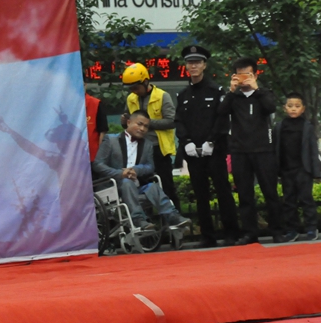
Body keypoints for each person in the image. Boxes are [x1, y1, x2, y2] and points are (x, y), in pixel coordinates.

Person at [217, 57, 288, 244]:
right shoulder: (233, 97)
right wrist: (231, 91)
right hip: (240, 151)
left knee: (270, 192)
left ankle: (277, 230)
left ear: (255, 75)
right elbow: (221, 112)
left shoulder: (264, 93)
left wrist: (257, 89)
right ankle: (250, 232)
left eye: (247, 75)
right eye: (239, 75)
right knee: (244, 194)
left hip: (263, 150)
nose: (244, 79)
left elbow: (270, 107)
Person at [174, 45, 239, 247]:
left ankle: (231, 233)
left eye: (197, 62)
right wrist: (187, 142)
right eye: (190, 63)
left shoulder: (216, 91)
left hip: (214, 150)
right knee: (200, 195)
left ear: (204, 65)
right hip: (193, 153)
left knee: (223, 191)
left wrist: (211, 141)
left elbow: (222, 119)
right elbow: (179, 121)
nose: (193, 66)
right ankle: (207, 236)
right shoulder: (183, 95)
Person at [92, 110, 191, 230]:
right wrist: (120, 173)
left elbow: (150, 167)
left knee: (153, 187)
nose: (142, 129)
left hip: (137, 186)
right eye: (139, 124)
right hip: (113, 186)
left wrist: (136, 170)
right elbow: (97, 164)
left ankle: (173, 216)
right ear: (128, 122)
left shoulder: (148, 144)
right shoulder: (111, 140)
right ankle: (138, 219)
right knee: (127, 182)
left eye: (146, 126)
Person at [121, 63, 181, 213]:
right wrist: (125, 122)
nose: (134, 91)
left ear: (146, 81)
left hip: (158, 148)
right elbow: (128, 121)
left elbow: (171, 121)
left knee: (166, 186)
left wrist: (145, 123)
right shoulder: (131, 98)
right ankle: (149, 222)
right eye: (131, 88)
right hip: (138, 149)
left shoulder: (162, 96)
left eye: (136, 87)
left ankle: (174, 219)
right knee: (142, 186)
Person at [274, 92, 321, 241]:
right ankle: (292, 230)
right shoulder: (279, 127)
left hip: (303, 169)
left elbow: (313, 150)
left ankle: (311, 228)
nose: (293, 109)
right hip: (286, 169)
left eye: (297, 106)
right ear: (284, 108)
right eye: (290, 106)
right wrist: (276, 169)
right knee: (289, 201)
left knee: (306, 200)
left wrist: (316, 171)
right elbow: (276, 148)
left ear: (303, 109)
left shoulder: (307, 127)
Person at [85, 91, 109, 163]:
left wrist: (100, 154)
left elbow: (102, 130)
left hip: (93, 155)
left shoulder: (96, 103)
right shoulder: (66, 104)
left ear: (85, 85)